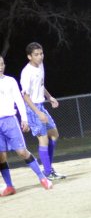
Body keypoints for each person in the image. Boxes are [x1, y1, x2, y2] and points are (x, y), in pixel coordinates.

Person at [0, 56, 53, 195]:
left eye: (2, 64)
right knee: (1, 157)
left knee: (22, 152)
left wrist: (24, 119)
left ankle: (43, 178)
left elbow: (19, 100)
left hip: (10, 121)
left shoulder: (10, 81)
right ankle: (9, 186)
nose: (0, 66)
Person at [20, 41, 65, 180]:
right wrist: (38, 113)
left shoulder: (40, 66)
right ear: (29, 56)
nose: (40, 57)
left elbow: (41, 85)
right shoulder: (27, 72)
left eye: (41, 53)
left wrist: (50, 97)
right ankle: (48, 172)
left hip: (41, 106)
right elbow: (25, 95)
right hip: (32, 108)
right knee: (43, 140)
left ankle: (48, 169)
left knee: (54, 134)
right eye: (36, 54)